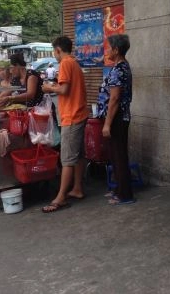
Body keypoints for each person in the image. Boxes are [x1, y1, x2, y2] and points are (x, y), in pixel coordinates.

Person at [41, 36, 88, 213]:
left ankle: (60, 197)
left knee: (67, 158)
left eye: (54, 52)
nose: (55, 55)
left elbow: (64, 90)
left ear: (59, 50)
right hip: (79, 114)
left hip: (72, 115)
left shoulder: (66, 64)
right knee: (77, 155)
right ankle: (77, 188)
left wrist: (48, 88)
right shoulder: (74, 63)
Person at [97, 34, 134, 205]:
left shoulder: (120, 69)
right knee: (115, 155)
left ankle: (124, 194)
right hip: (117, 117)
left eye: (109, 47)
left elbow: (114, 99)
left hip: (117, 118)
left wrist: (107, 124)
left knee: (119, 156)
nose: (107, 51)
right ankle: (119, 189)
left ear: (117, 50)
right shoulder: (120, 66)